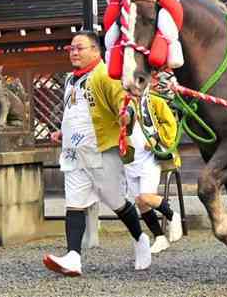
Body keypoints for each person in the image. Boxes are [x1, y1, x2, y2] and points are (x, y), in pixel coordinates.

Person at [43, 31, 151, 277]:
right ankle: (73, 257)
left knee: (116, 201)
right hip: (73, 153)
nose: (74, 52)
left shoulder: (105, 74)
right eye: (71, 48)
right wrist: (63, 133)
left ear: (95, 50)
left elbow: (123, 104)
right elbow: (73, 113)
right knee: (74, 204)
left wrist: (127, 117)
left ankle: (140, 238)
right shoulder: (71, 79)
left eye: (79, 48)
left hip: (100, 150)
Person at [123, 90, 183, 254]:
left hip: (150, 158)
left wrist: (155, 138)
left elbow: (170, 123)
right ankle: (159, 237)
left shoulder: (154, 101)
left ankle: (172, 215)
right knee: (140, 202)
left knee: (146, 197)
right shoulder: (121, 102)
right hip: (130, 160)